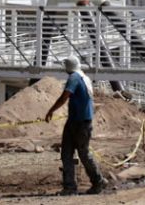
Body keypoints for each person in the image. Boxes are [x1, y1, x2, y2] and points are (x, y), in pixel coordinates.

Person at [45, 55, 108, 195]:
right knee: (69, 153)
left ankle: (96, 181)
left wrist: (51, 110)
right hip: (78, 121)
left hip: (79, 123)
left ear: (68, 67)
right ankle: (72, 186)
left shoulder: (74, 77)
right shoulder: (84, 77)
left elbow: (65, 96)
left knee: (81, 154)